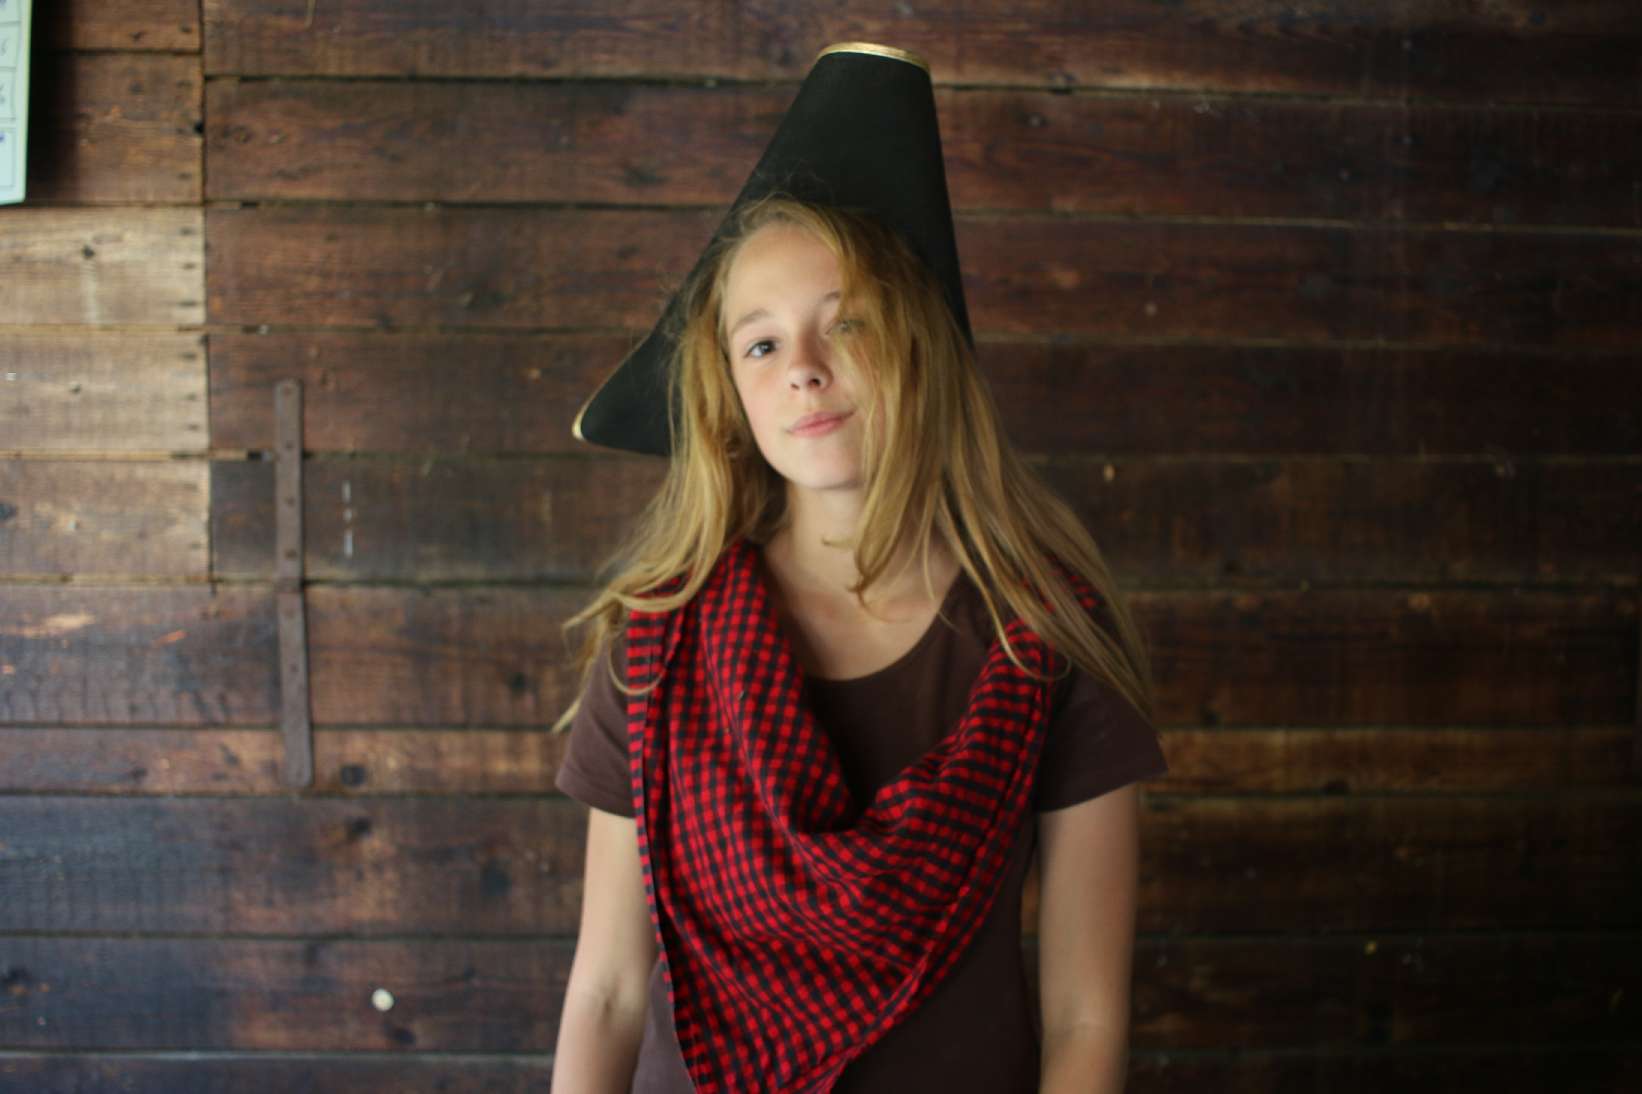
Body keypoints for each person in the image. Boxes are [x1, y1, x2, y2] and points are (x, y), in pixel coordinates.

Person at [548, 44, 1167, 1094]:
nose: (804, 366)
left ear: (920, 347)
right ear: (729, 396)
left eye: (849, 322)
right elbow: (607, 993)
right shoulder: (659, 647)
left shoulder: (1045, 637)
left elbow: (1084, 1017)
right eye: (761, 344)